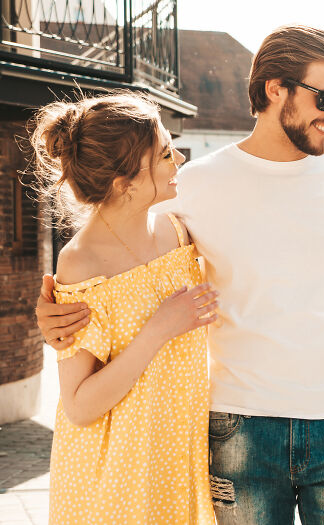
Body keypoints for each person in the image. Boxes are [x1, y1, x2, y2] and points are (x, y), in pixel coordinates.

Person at [35, 26, 324, 524]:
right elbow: (120, 270)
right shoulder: (187, 187)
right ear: (275, 89)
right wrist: (57, 320)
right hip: (239, 429)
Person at [30, 93, 218, 524]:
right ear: (125, 183)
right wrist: (159, 329)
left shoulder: (178, 228)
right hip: (114, 477)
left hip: (175, 457)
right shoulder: (80, 262)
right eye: (165, 153)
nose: (180, 159)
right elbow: (78, 405)